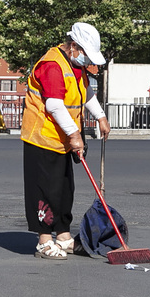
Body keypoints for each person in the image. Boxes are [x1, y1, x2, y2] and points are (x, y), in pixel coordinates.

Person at [21, 22, 111, 260]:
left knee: (64, 189)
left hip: (62, 138)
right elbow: (54, 104)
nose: (87, 61)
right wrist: (74, 134)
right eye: (86, 55)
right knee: (45, 189)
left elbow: (85, 92)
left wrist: (100, 116)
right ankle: (43, 240)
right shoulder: (52, 65)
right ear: (73, 46)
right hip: (43, 137)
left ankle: (63, 236)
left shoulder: (75, 66)